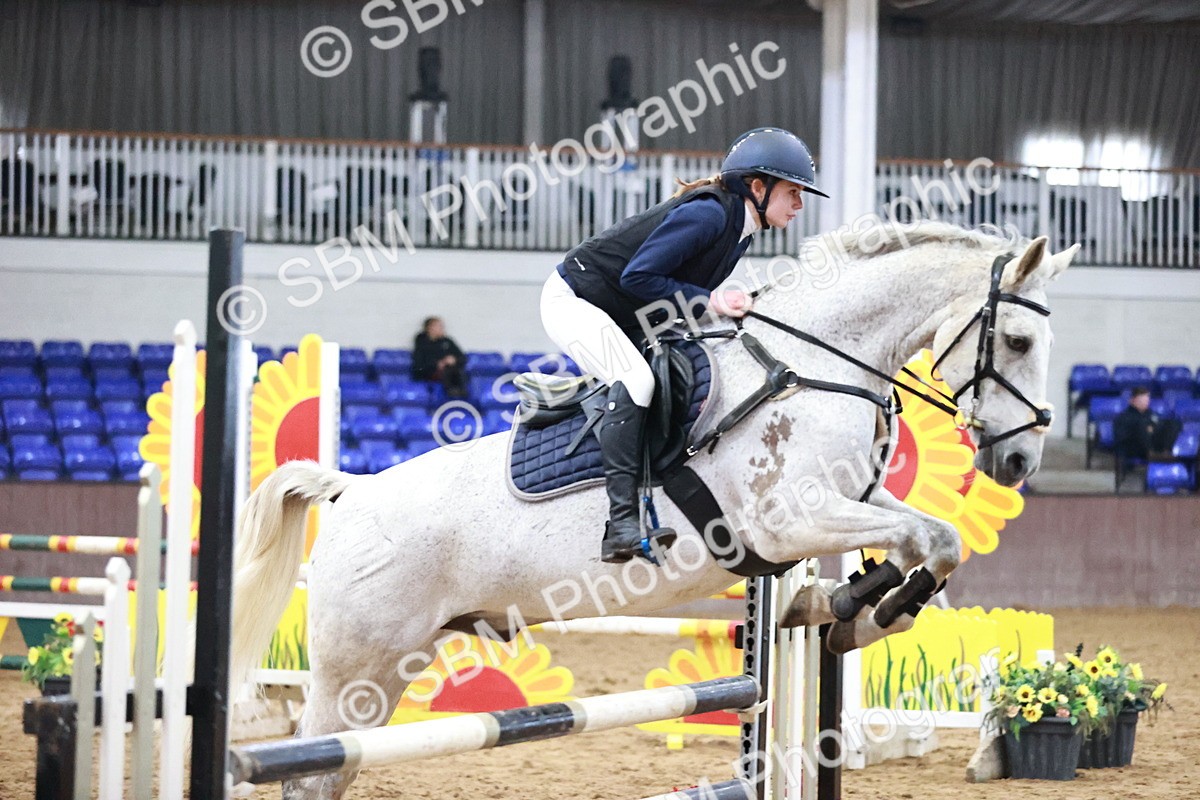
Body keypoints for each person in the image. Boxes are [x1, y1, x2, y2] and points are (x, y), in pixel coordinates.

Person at [539, 127, 826, 563]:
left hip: (623, 310)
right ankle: (619, 524)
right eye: (793, 192)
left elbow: (669, 292)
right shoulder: (711, 215)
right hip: (573, 300)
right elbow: (640, 276)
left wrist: (720, 310)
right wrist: (711, 301)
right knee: (635, 380)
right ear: (757, 187)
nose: (800, 204)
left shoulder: (739, 229)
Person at [1113, 386, 1181, 461]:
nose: (1145, 402)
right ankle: (1150, 453)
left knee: (1173, 423)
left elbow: (1159, 423)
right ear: (1132, 400)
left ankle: (1166, 452)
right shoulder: (1124, 417)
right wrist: (1145, 428)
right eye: (1142, 400)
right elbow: (1122, 436)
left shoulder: (1150, 413)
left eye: (1147, 400)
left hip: (1153, 442)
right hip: (1135, 446)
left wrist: (1151, 428)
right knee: (1142, 424)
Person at [411, 317, 468, 398]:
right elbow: (419, 363)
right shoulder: (422, 343)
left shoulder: (447, 341)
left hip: (451, 371)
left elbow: (462, 357)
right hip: (430, 373)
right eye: (439, 326)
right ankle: (452, 393)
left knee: (456, 371)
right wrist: (437, 364)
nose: (442, 329)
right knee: (447, 371)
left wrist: (454, 360)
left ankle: (461, 393)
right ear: (430, 328)